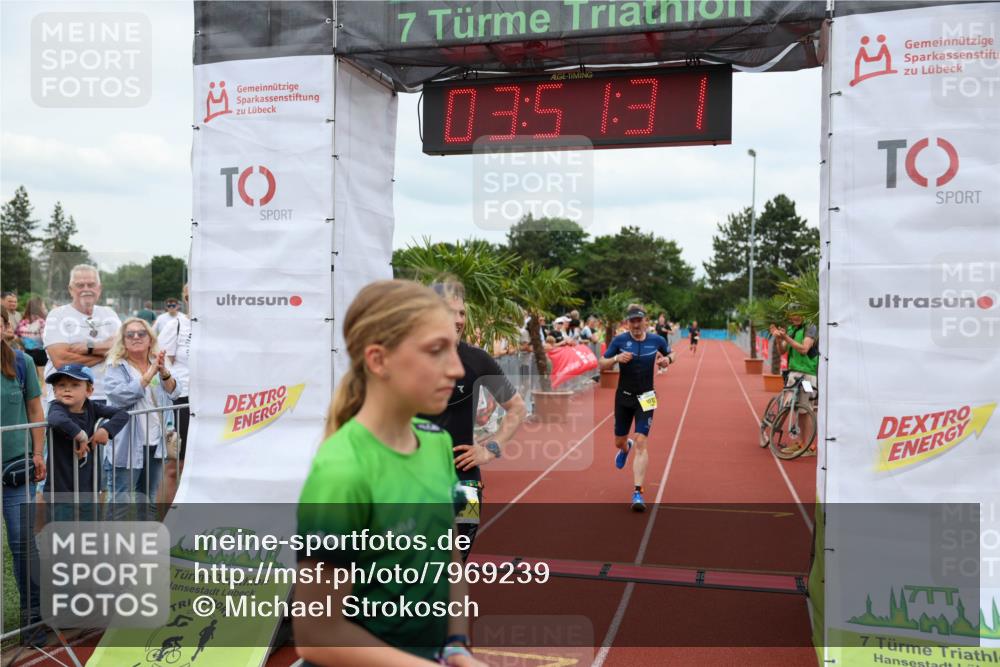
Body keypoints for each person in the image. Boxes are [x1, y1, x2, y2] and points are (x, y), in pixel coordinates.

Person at [294, 279, 486, 667]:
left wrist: (456, 645)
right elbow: (316, 636)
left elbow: (448, 558)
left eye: (454, 345)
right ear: (379, 360)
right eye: (436, 350)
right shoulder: (341, 470)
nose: (457, 368)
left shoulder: (437, 444)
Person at [421, 280, 527, 561]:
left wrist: (490, 449)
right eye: (449, 312)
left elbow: (517, 408)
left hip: (465, 479)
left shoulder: (478, 360)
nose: (458, 320)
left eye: (462, 313)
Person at [598, 305, 673, 512]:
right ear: (627, 323)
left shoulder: (657, 340)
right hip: (623, 398)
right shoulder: (620, 341)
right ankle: (625, 447)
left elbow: (671, 355)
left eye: (639, 320)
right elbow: (601, 363)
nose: (636, 324)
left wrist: (667, 360)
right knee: (619, 442)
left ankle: (638, 492)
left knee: (642, 441)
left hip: (647, 397)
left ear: (645, 321)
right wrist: (615, 359)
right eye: (632, 321)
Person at [103, 318, 179, 511]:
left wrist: (163, 373)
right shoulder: (116, 366)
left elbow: (174, 392)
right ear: (124, 341)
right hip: (127, 444)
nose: (136, 337)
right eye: (130, 334)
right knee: (120, 501)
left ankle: (147, 540)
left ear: (150, 339)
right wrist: (149, 374)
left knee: (149, 499)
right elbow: (120, 396)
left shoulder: (158, 362)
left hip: (156, 442)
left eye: (141, 333)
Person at [1, 316, 47, 639]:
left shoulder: (22, 362)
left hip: (14, 471)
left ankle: (33, 623)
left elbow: (34, 410)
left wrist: (38, 452)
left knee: (23, 545)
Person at [45, 364, 128, 507]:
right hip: (61, 486)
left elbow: (122, 414)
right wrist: (81, 435)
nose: (67, 389)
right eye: (61, 385)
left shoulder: (91, 407)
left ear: (89, 390)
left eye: (75, 385)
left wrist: (106, 430)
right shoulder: (56, 407)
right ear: (54, 390)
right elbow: (56, 419)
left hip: (88, 483)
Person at [43, 265, 122, 403]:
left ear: (99, 288)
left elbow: (124, 348)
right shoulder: (57, 315)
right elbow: (62, 362)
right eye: (80, 285)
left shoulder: (109, 314)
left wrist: (89, 347)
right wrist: (108, 351)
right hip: (69, 400)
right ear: (70, 289)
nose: (86, 289)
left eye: (91, 284)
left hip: (109, 396)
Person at [156, 283, 191, 504]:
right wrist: (172, 377)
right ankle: (162, 528)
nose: (192, 300)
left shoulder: (222, 325)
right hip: (183, 401)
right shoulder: (177, 324)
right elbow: (159, 357)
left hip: (215, 402)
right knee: (174, 466)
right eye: (188, 296)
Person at [770, 307, 819, 457]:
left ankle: (809, 446)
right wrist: (779, 339)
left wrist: (786, 338)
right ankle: (802, 442)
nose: (794, 317)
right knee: (793, 408)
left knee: (806, 409)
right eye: (792, 315)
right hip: (793, 373)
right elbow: (782, 351)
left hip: (807, 375)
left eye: (798, 314)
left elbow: (804, 349)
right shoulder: (791, 329)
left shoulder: (811, 327)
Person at [15, 297, 48, 388]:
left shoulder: (23, 322)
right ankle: (43, 398)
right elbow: (45, 338)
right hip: (41, 352)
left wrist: (25, 344)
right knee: (44, 378)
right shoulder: (41, 322)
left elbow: (16, 336)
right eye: (43, 306)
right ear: (39, 307)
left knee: (32, 379)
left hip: (28, 352)